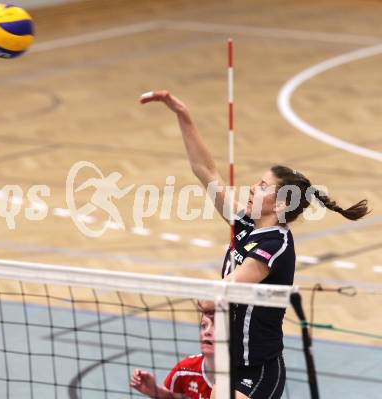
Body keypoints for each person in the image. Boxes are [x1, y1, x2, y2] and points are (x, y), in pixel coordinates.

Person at [140, 90, 369, 398]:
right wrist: (183, 114)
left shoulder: (275, 244)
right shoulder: (244, 224)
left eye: (262, 187)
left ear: (279, 204)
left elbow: (224, 292)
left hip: (257, 371)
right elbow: (206, 171)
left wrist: (210, 299)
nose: (251, 188)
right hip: (227, 363)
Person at [130, 312, 215, 399]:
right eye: (204, 326)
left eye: (216, 327)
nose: (207, 332)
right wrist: (155, 391)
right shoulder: (185, 370)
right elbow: (174, 397)